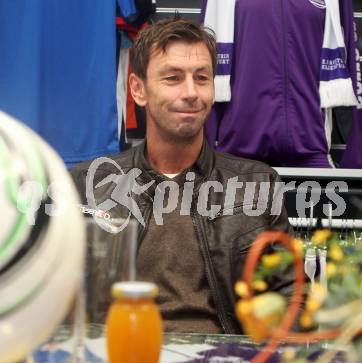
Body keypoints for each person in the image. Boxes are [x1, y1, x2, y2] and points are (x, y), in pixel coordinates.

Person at [71, 17, 294, 334]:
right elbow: (52, 290)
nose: (191, 92)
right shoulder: (88, 184)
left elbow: (291, 293)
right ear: (138, 89)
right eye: (173, 78)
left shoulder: (257, 185)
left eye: (202, 78)